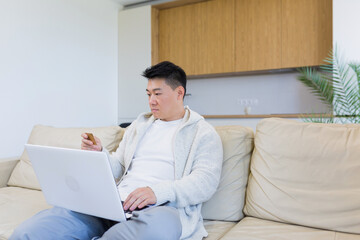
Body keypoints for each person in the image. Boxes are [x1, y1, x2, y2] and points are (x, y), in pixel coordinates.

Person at [10, 61, 223, 240]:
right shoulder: (139, 126)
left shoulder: (203, 133)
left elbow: (204, 183)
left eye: (158, 94)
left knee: (159, 227)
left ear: (179, 93)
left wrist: (156, 192)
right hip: (111, 203)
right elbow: (119, 167)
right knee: (27, 233)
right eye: (148, 94)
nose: (151, 101)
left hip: (161, 209)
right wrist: (99, 154)